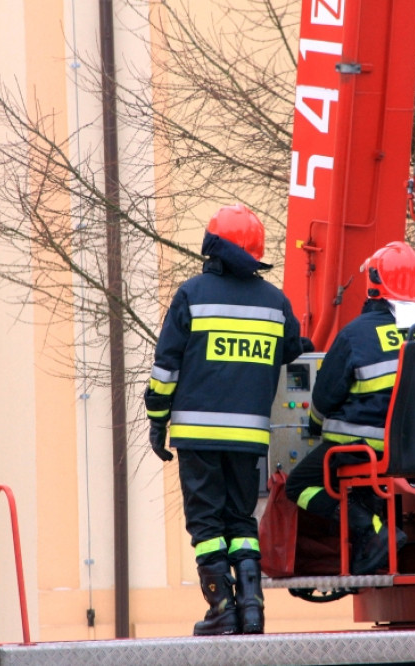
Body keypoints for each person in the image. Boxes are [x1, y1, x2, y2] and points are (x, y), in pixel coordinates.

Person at [144, 203, 307, 636]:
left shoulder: (191, 294)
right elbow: (293, 348)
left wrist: (157, 420)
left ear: (213, 246)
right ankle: (252, 607)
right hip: (248, 437)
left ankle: (221, 608)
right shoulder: (275, 302)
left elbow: (166, 369)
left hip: (197, 435)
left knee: (207, 524)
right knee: (241, 520)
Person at [285, 241, 415, 575]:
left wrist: (314, 426)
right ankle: (376, 538)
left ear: (373, 282)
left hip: (366, 449)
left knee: (297, 484)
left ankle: (370, 528)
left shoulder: (355, 335)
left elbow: (325, 397)